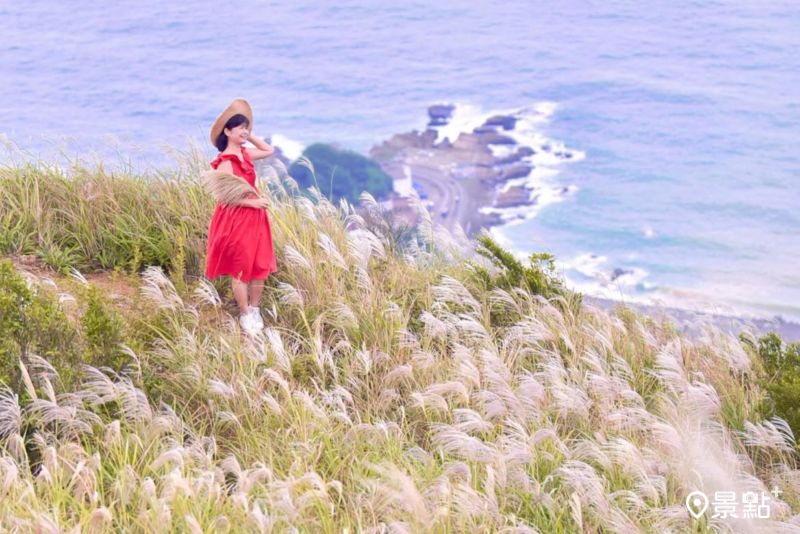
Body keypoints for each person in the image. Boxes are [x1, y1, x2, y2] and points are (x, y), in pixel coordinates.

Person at [206, 98, 277, 334]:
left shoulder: (246, 154)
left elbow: (269, 150)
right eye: (240, 128)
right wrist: (253, 202)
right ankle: (245, 313)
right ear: (227, 131)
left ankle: (256, 308)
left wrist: (250, 135)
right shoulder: (226, 161)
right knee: (240, 268)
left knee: (259, 265)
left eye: (247, 127)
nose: (245, 131)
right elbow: (225, 199)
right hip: (237, 218)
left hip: (255, 216)